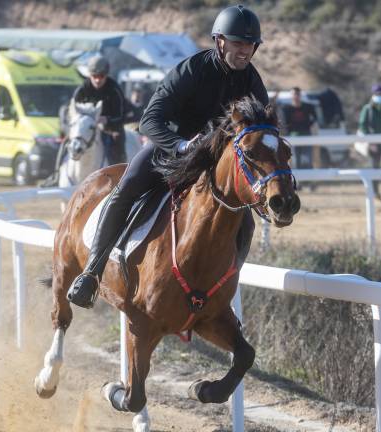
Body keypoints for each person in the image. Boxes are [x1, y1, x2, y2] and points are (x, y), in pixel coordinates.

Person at [67, 4, 269, 309]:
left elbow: (260, 131)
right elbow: (150, 120)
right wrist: (181, 145)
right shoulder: (191, 70)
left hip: (215, 165)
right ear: (219, 41)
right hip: (170, 151)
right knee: (125, 191)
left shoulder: (252, 82)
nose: (244, 50)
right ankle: (91, 273)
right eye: (238, 42)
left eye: (250, 45)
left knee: (246, 223)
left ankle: (222, 293)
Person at [71, 55, 127, 166]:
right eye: (94, 76)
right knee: (66, 142)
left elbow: (121, 116)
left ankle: (118, 173)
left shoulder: (114, 90)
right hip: (85, 126)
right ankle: (56, 173)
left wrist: (106, 120)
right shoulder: (82, 89)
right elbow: (72, 109)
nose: (97, 80)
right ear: (90, 75)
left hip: (109, 128)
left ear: (106, 75)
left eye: (101, 76)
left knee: (117, 144)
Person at [279, 87, 318, 168]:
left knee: (307, 158)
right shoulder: (286, 108)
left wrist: (310, 125)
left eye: (297, 94)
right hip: (293, 135)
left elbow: (315, 118)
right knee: (295, 158)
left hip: (306, 134)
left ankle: (308, 178)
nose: (296, 96)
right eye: (294, 94)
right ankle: (299, 179)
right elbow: (283, 122)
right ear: (291, 96)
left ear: (300, 95)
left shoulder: (308, 107)